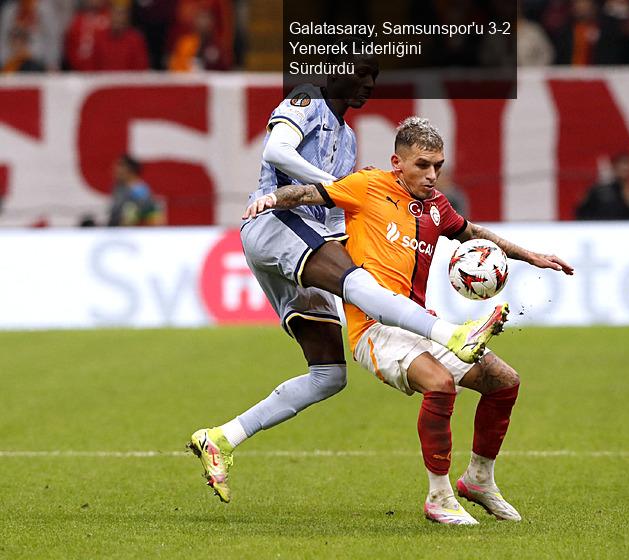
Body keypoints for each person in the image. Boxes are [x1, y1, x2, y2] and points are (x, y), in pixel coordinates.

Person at [187, 53, 513, 504]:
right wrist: (341, 187)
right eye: (361, 74)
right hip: (275, 222)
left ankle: (220, 438)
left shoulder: (347, 135)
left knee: (328, 375)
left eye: (374, 77)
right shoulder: (306, 101)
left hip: (302, 236)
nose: (368, 84)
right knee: (358, 284)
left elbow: (339, 209)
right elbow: (276, 152)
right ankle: (451, 333)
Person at [242, 117, 574, 524]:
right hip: (374, 331)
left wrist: (532, 256)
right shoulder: (368, 186)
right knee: (439, 384)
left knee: (504, 382)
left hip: (418, 321)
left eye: (438, 165)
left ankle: (479, 480)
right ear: (397, 162)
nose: (432, 175)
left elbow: (472, 233)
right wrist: (271, 200)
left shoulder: (438, 207)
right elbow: (313, 191)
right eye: (422, 165)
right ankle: (438, 497)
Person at [575, 152, 629, 220]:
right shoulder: (599, 190)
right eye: (623, 166)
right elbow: (581, 213)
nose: (626, 169)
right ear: (614, 167)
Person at [107, 155, 163, 226]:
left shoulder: (139, 190)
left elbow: (153, 216)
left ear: (129, 169)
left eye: (120, 165)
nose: (115, 169)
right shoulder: (118, 188)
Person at [92, 2, 149, 71]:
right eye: (115, 13)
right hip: (103, 80)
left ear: (127, 17)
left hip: (129, 80)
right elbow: (93, 66)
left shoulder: (136, 39)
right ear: (110, 15)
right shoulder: (99, 37)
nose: (118, 18)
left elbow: (141, 68)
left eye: (121, 14)